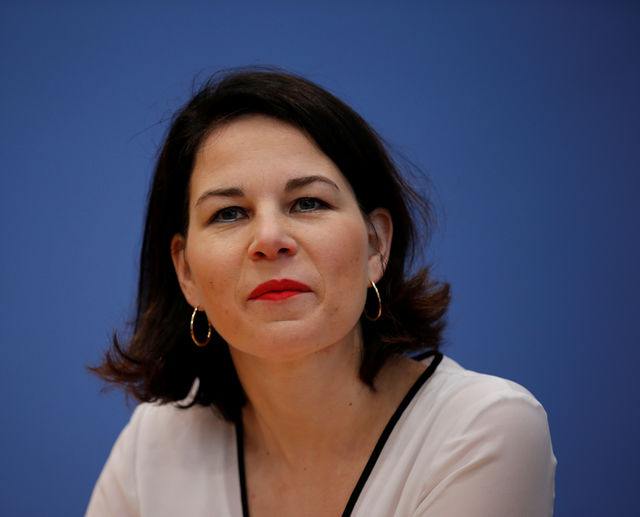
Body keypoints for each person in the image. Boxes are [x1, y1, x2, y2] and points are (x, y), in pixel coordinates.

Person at [85, 69, 556, 516]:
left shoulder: (484, 429)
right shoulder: (153, 444)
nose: (270, 239)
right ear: (186, 272)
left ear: (376, 244)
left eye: (308, 203)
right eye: (229, 213)